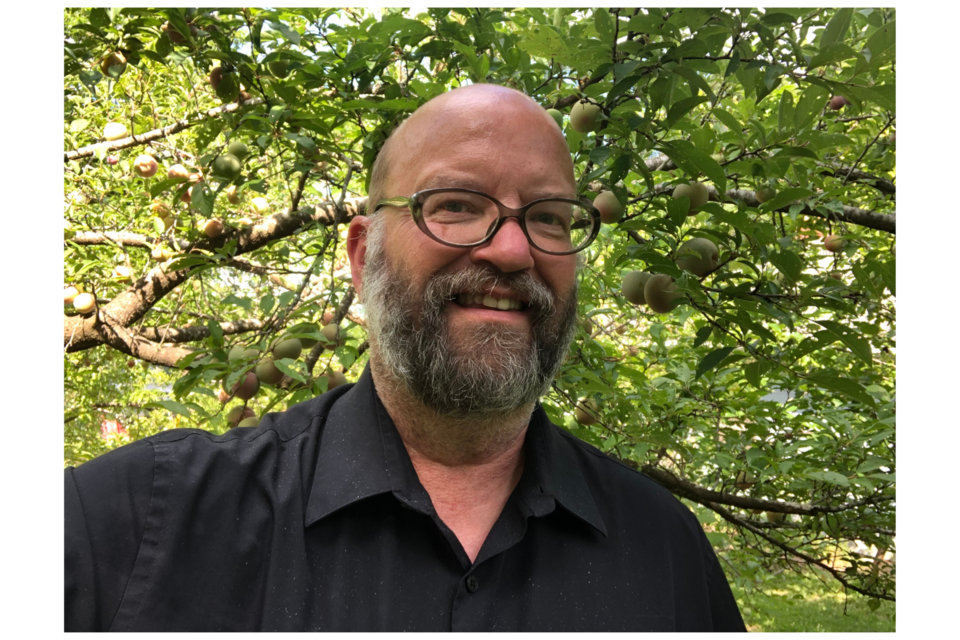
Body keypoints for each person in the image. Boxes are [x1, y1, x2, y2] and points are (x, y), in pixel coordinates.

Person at [64, 84, 746, 632]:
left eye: (549, 217)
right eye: (453, 204)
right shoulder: (127, 526)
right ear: (363, 257)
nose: (512, 251)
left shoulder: (666, 551)